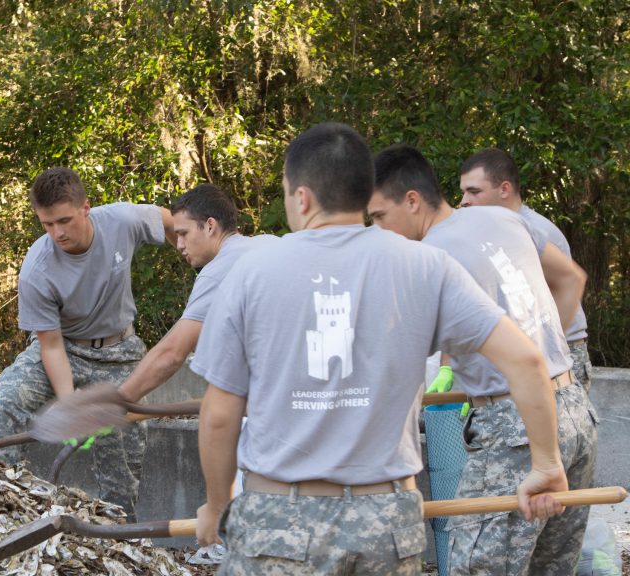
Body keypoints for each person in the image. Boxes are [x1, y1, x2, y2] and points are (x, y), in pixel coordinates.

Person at [192, 122, 568, 576]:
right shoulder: (426, 265)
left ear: (302, 197)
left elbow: (218, 414)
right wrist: (546, 462)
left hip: (279, 520)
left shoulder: (251, 271)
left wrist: (216, 506)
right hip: (386, 524)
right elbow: (527, 359)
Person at [368, 144, 597, 575]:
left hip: (515, 431)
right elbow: (571, 278)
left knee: (475, 569)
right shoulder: (505, 218)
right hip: (574, 412)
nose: (379, 230)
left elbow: (398, 370)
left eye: (379, 216)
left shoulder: (428, 260)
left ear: (412, 200)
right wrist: (549, 351)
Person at [0, 166, 175, 518]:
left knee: (122, 449)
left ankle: (118, 533)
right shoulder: (37, 269)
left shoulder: (121, 220)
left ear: (86, 208)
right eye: (47, 224)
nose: (57, 233)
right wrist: (71, 407)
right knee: (7, 400)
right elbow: (51, 346)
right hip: (63, 349)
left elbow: (172, 222)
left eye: (64, 221)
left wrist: (201, 261)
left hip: (121, 354)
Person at [116, 183, 276, 403]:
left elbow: (171, 354)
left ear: (210, 226)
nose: (179, 245)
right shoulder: (269, 244)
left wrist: (119, 401)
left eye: (183, 234)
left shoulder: (219, 271)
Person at [459, 148, 594, 392]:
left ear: (504, 189)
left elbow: (571, 283)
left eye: (474, 191)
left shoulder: (534, 230)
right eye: (463, 192)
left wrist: (547, 349)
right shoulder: (499, 229)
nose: (464, 201)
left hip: (563, 355)